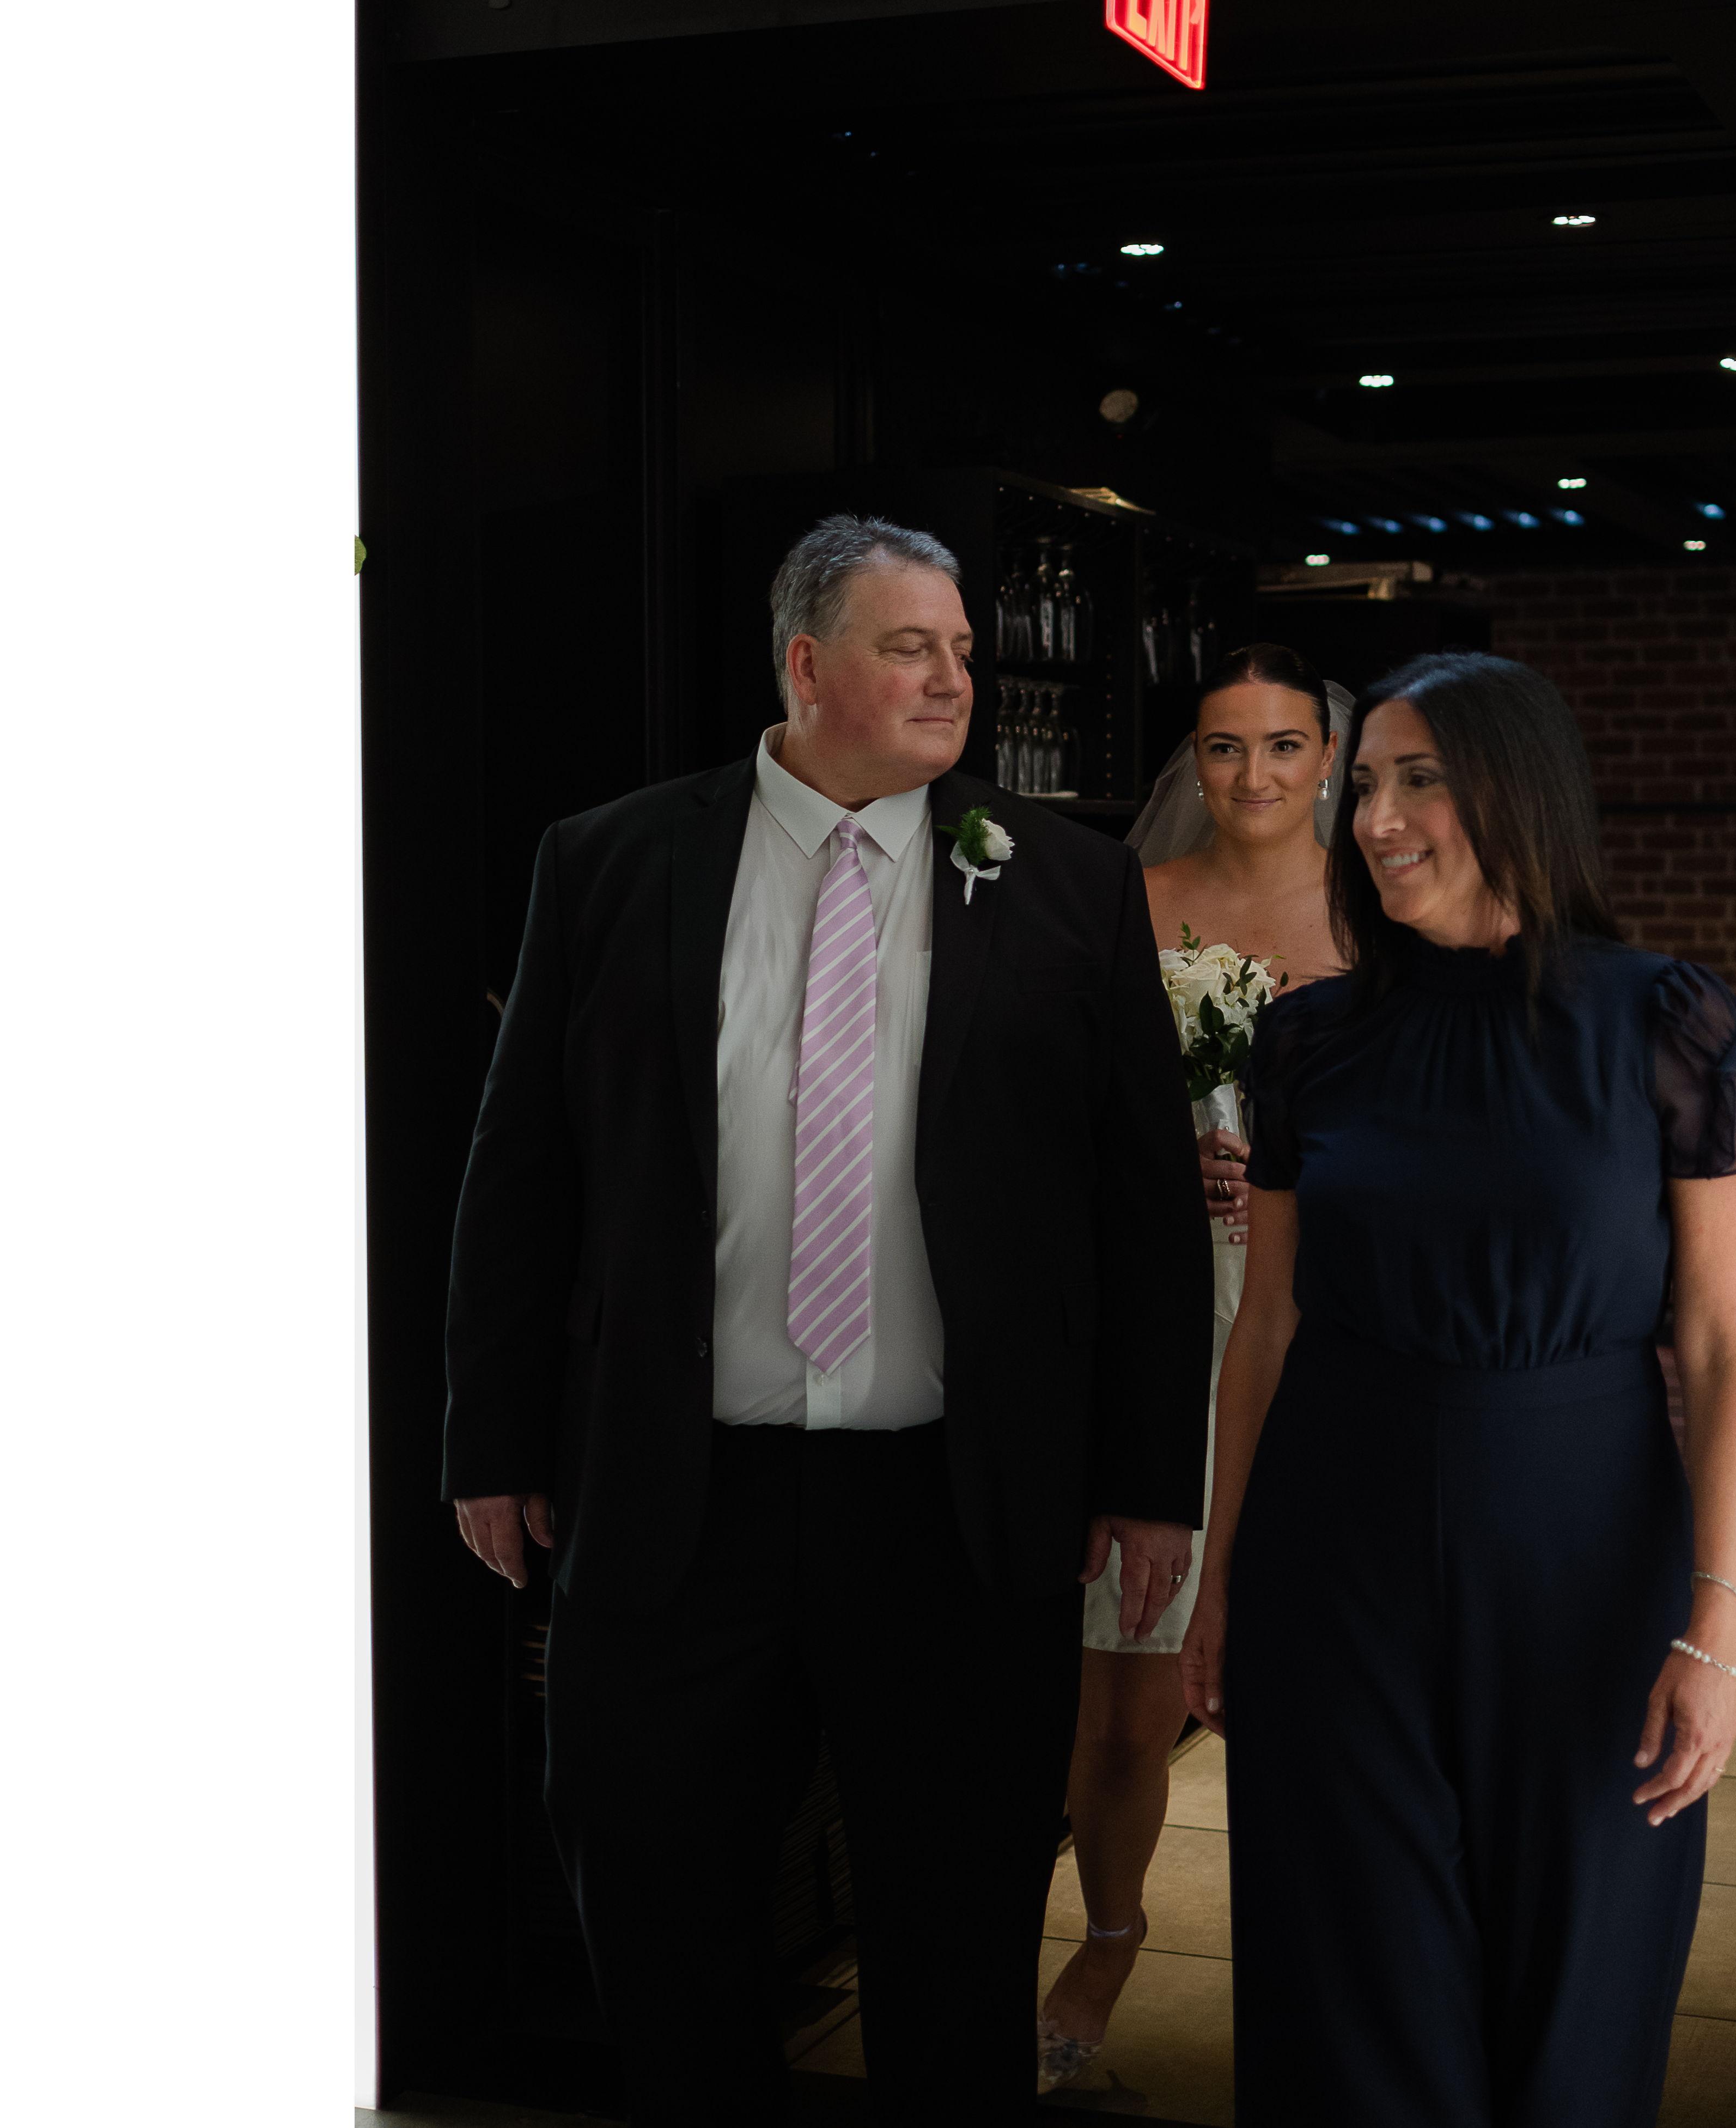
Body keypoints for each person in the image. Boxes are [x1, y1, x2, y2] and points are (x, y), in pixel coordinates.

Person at [442, 515, 1211, 2128]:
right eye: (909, 646)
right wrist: (494, 1442)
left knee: (957, 1937)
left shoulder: (1069, 880)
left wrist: (1150, 1479)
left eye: (961, 648)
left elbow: (1142, 1206)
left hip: (954, 1507)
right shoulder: (610, 860)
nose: (954, 678)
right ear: (806, 664)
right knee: (660, 1923)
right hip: (674, 1496)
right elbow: (522, 1173)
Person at [1180, 650, 1736, 2127]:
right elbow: (1266, 1327)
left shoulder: (1670, 1023)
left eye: (1421, 780)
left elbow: (1728, 1338)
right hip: (1335, 1560)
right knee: (1352, 1998)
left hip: (1586, 1564)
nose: (1376, 818)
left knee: (1576, 1997)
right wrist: (1218, 1578)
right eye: (1367, 785)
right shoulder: (1309, 1039)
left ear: (1518, 791)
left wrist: (1719, 1623)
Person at [1038, 645, 1345, 2094]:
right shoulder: (1128, 900)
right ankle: (1108, 1932)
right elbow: (1048, 1109)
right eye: (1225, 747)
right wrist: (1162, 1163)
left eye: (1284, 746)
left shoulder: (1385, 912)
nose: (1254, 775)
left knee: (1316, 1687)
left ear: (1328, 760)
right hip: (1152, 1319)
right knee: (1122, 1697)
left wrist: (1295, 1180)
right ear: (1194, 764)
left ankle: (1333, 1983)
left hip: (1319, 1323)